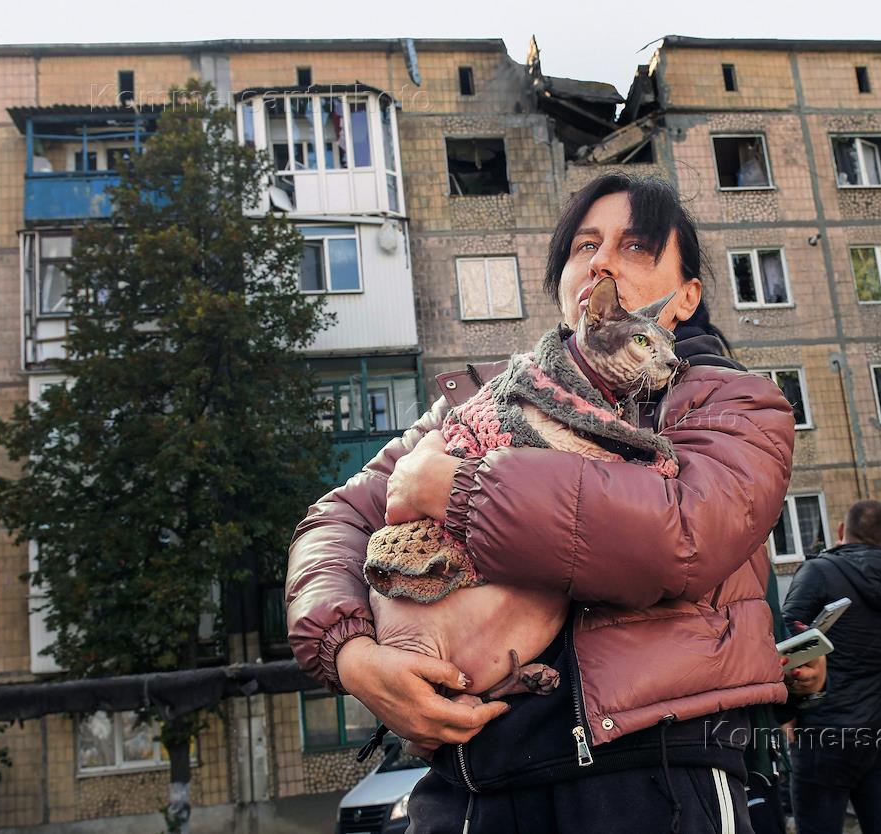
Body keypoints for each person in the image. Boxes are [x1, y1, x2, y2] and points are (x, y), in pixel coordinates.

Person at [286, 173, 821, 833]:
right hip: (470, 786)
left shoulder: (730, 401)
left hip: (651, 777)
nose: (601, 263)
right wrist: (350, 655)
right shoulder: (478, 402)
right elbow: (333, 520)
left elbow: (683, 535)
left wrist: (463, 490)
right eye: (584, 246)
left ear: (686, 296)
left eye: (635, 247)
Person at [780, 500, 881, 834]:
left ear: (841, 530)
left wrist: (787, 711)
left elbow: (786, 641)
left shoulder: (818, 571)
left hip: (824, 726)